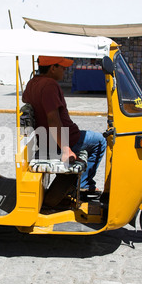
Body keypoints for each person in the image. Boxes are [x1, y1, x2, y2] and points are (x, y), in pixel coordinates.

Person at [22, 56, 106, 194]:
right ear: (52, 68)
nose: (65, 70)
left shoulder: (33, 82)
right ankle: (83, 185)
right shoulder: (49, 85)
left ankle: (72, 184)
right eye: (62, 67)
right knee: (100, 141)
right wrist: (66, 149)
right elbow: (53, 120)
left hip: (46, 138)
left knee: (93, 137)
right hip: (64, 140)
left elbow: (27, 99)